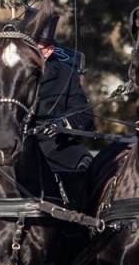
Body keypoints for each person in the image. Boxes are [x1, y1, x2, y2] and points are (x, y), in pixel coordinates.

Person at [33, 10, 95, 193]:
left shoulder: (66, 74)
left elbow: (84, 113)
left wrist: (64, 123)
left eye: (38, 46)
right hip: (18, 145)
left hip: (55, 146)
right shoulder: (9, 68)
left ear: (49, 50)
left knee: (86, 165)